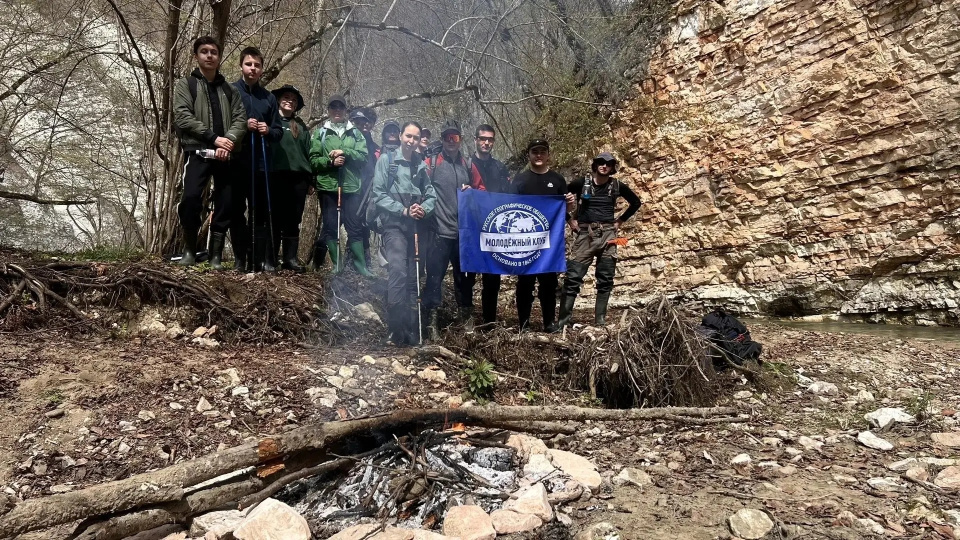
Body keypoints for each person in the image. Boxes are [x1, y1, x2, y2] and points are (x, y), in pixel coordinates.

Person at [172, 36, 246, 267]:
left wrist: (230, 141)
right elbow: (183, 116)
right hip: (197, 151)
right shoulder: (185, 85)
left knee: (226, 202)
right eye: (204, 51)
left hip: (226, 155)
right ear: (196, 56)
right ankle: (189, 252)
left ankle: (215, 256)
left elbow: (240, 119)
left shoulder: (230, 89)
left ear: (219, 57)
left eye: (213, 52)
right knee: (192, 198)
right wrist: (215, 139)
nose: (209, 55)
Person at [372, 121, 436, 345]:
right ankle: (395, 328)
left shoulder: (420, 164)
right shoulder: (386, 161)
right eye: (408, 136)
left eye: (415, 138)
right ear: (400, 136)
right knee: (398, 271)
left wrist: (423, 209)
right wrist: (403, 210)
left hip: (415, 227)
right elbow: (378, 194)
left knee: (413, 276)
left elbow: (431, 195)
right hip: (394, 225)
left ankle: (411, 329)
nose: (411, 141)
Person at [559, 152, 641, 326]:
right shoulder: (581, 183)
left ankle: (600, 320)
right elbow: (560, 197)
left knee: (606, 279)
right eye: (601, 163)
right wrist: (569, 219)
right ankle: (563, 322)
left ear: (612, 167)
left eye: (608, 164)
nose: (604, 166)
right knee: (573, 278)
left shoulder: (617, 185)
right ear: (595, 165)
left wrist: (620, 221)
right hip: (584, 235)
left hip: (609, 235)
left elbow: (636, 202)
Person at [422, 120, 485, 339]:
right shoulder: (431, 163)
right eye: (448, 137)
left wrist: (472, 191)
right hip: (438, 232)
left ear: (460, 140)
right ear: (442, 139)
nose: (451, 141)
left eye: (455, 137)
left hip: (463, 235)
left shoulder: (468, 165)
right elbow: (420, 188)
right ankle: (431, 326)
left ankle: (466, 325)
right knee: (434, 278)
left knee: (465, 280)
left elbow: (482, 191)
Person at [512, 139, 576, 332]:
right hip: (525, 241)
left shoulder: (557, 179)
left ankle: (549, 323)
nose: (538, 155)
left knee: (549, 284)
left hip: (550, 243)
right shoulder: (520, 179)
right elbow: (509, 207)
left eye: (542, 151)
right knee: (525, 283)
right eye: (534, 152)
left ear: (548, 154)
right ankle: (524, 324)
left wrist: (571, 205)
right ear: (529, 155)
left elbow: (565, 210)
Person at [232, 46, 283, 272]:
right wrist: (245, 125)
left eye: (257, 65)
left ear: (262, 69)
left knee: (259, 213)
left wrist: (266, 130)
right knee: (235, 210)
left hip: (262, 164)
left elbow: (278, 131)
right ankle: (239, 259)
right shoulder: (231, 91)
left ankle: (257, 259)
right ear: (241, 65)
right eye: (249, 64)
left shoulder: (269, 98)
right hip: (237, 161)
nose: (253, 69)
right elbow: (223, 124)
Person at [308, 94, 371, 276]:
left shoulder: (356, 133)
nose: (337, 110)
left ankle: (361, 265)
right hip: (328, 186)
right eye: (333, 107)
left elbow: (364, 158)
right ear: (328, 111)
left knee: (354, 225)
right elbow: (313, 160)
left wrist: (346, 152)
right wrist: (330, 162)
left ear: (345, 111)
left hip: (351, 186)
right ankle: (337, 265)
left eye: (340, 107)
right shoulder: (320, 133)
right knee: (330, 225)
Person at [470, 124, 511, 327]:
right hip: (470, 228)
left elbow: (510, 194)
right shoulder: (466, 164)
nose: (486, 142)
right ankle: (467, 320)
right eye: (482, 138)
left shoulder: (500, 167)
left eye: (490, 139)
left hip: (494, 229)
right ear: (475, 140)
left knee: (492, 278)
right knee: (467, 275)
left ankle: (489, 322)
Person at [268, 84, 312, 272]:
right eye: (286, 97)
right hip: (276, 175)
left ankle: (290, 259)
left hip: (299, 177)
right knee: (275, 218)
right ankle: (270, 258)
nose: (290, 101)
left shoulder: (301, 126)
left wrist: (311, 180)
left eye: (293, 100)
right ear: (278, 100)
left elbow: (309, 153)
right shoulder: (270, 122)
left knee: (293, 219)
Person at [351, 107, 379, 271]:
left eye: (370, 122)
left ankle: (360, 263)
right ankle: (319, 264)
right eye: (364, 121)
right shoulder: (350, 138)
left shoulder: (374, 147)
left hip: (366, 190)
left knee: (363, 226)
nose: (366, 125)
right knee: (334, 225)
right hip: (349, 187)